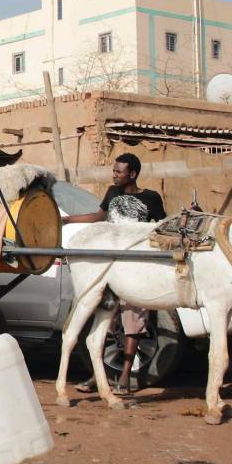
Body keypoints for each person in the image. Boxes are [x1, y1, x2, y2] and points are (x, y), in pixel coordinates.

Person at [62, 152, 166, 393]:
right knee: (106, 325)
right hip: (110, 269)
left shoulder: (151, 198)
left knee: (133, 322)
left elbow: (160, 226)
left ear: (132, 174)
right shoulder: (112, 193)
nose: (114, 174)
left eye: (119, 171)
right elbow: (99, 217)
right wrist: (70, 220)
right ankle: (99, 377)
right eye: (114, 170)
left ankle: (124, 377)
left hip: (136, 268)